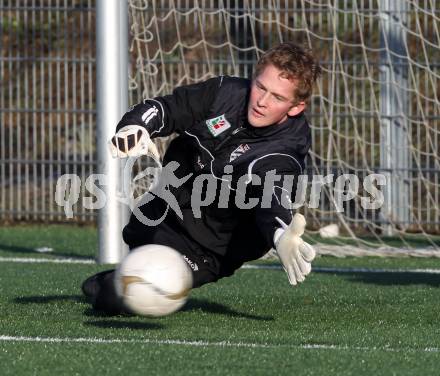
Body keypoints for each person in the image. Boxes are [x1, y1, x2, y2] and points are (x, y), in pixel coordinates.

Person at [82, 42, 322, 314]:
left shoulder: (285, 150)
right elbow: (169, 108)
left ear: (295, 107)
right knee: (136, 247)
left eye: (278, 97)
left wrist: (280, 233)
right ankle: (124, 275)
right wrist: (137, 125)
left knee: (125, 296)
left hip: (211, 247)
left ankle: (120, 284)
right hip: (167, 209)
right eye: (261, 87)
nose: (263, 102)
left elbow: (272, 196)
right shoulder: (224, 93)